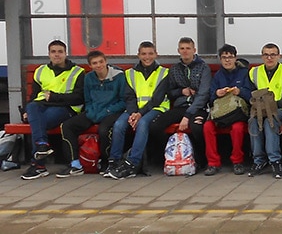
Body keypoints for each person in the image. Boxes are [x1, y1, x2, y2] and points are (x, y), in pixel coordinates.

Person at [51, 51, 123, 178]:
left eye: (101, 62)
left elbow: (123, 101)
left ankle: (106, 162)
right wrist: (90, 111)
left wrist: (107, 112)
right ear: (90, 65)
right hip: (93, 112)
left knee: (104, 130)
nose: (99, 65)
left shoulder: (119, 76)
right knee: (67, 126)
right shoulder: (89, 78)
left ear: (106, 61)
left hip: (112, 112)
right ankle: (75, 164)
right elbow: (87, 99)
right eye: (95, 63)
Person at [21, 40, 86, 180]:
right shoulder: (40, 71)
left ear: (65, 54)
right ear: (49, 54)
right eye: (53, 52)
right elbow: (34, 96)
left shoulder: (77, 72)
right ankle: (42, 145)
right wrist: (26, 110)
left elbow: (79, 98)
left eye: (60, 52)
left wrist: (55, 97)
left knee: (38, 123)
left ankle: (38, 165)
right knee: (32, 107)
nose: (57, 55)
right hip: (41, 106)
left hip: (65, 108)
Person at [143, 37, 210, 170]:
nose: (185, 51)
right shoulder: (174, 69)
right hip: (180, 106)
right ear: (178, 50)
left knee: (196, 127)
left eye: (188, 48)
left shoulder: (204, 68)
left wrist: (187, 116)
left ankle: (201, 159)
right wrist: (181, 91)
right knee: (155, 126)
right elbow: (170, 92)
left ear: (194, 50)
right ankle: (169, 155)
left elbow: (203, 95)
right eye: (182, 49)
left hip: (198, 108)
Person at [106, 41, 169, 179]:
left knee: (142, 124)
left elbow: (157, 99)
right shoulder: (129, 73)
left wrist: (139, 114)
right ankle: (114, 162)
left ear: (156, 54)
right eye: (144, 54)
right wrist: (134, 112)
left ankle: (132, 163)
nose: (147, 57)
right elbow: (129, 97)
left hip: (156, 108)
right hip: (134, 110)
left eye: (150, 53)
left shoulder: (164, 72)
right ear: (138, 55)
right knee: (119, 125)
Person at [202, 44, 255, 176]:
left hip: (237, 114)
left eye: (230, 57)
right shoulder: (218, 76)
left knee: (237, 128)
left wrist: (240, 91)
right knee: (208, 126)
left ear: (235, 58)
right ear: (220, 59)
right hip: (220, 114)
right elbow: (210, 97)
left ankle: (237, 162)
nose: (227, 60)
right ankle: (213, 163)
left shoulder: (244, 73)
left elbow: (251, 96)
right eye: (224, 57)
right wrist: (217, 93)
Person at [246, 43, 282, 179]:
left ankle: (275, 161)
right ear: (262, 57)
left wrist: (274, 105)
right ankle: (259, 162)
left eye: (273, 54)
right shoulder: (254, 72)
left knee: (270, 121)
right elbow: (249, 94)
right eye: (266, 55)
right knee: (253, 122)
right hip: (259, 110)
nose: (269, 58)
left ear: (278, 56)